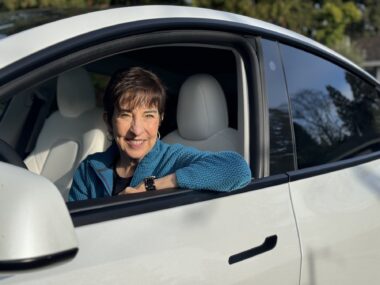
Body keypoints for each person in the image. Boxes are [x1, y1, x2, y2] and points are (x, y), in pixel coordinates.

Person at [68, 67, 251, 201]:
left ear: (160, 119)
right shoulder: (89, 170)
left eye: (148, 116)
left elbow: (237, 169)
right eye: (125, 115)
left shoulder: (172, 159)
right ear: (108, 120)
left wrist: (153, 185)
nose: (137, 130)